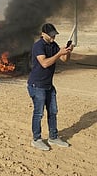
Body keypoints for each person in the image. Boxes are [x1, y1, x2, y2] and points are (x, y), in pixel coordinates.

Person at [27, 23, 73, 151]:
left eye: (54, 35)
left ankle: (53, 137)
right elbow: (45, 63)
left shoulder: (53, 45)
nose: (53, 37)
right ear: (43, 34)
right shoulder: (38, 46)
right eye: (51, 35)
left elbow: (64, 59)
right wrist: (59, 54)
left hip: (48, 85)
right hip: (37, 85)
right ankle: (36, 139)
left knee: (53, 112)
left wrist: (67, 52)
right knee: (38, 113)